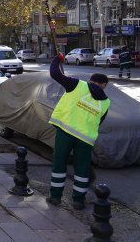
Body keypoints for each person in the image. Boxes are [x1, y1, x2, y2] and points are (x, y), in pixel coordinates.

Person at [46, 54, 110, 210]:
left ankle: (55, 197)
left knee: (59, 165)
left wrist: (57, 59)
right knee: (82, 169)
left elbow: (55, 73)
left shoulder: (77, 85)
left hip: (65, 132)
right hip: (86, 139)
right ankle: (78, 201)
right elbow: (98, 122)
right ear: (103, 85)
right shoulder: (106, 102)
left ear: (91, 81)